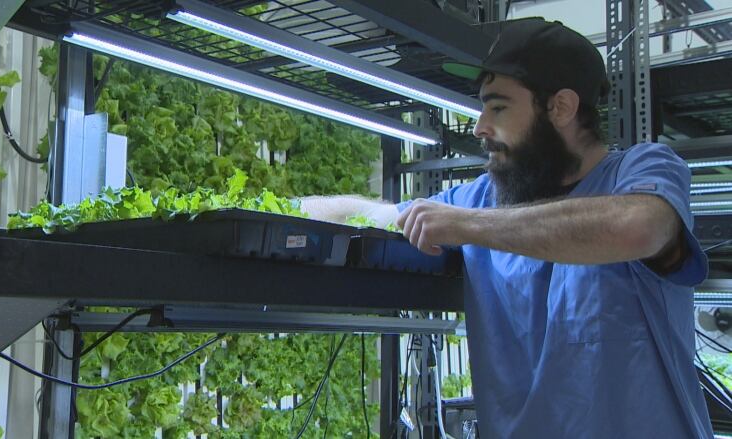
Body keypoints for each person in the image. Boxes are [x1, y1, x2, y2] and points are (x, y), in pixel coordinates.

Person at [301, 17, 713, 439]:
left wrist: (468, 226)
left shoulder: (640, 169)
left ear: (561, 107)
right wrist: (270, 207)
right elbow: (373, 216)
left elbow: (639, 228)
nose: (479, 126)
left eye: (498, 107)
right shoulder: (480, 200)